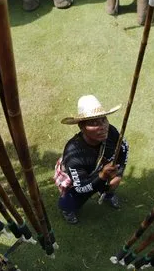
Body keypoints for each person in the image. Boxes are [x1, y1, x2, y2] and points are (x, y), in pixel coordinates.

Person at [55, 95, 129, 224]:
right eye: (94, 123)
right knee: (72, 201)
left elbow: (123, 149)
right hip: (79, 180)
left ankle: (107, 195)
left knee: (109, 187)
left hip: (104, 172)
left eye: (103, 120)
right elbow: (80, 187)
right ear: (81, 127)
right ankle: (68, 210)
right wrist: (102, 176)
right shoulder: (74, 155)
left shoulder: (111, 131)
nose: (102, 127)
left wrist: (119, 174)